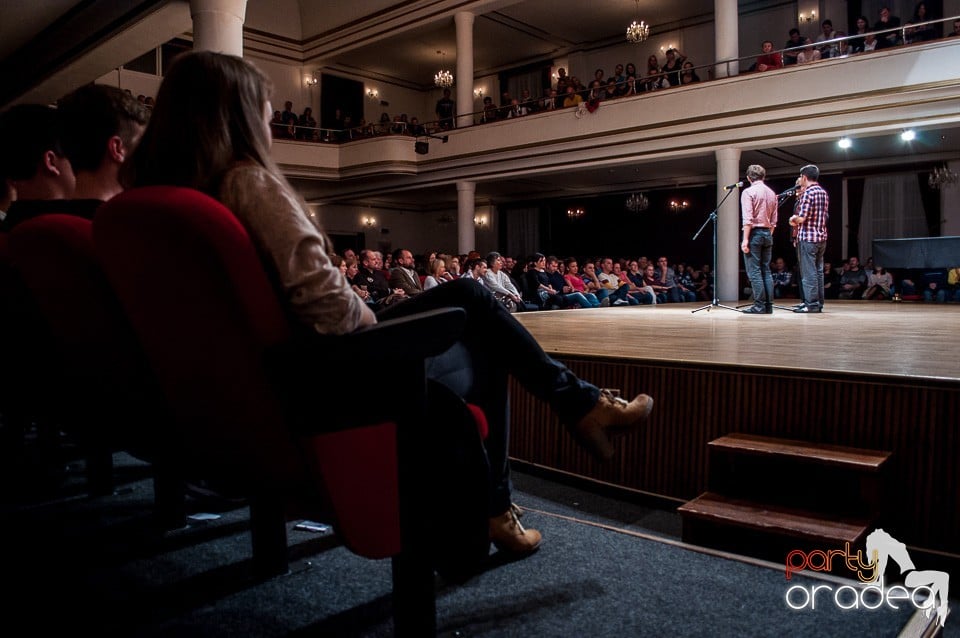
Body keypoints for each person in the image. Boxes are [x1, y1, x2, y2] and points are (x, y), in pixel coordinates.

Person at [124, 50, 655, 556]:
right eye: (263, 119)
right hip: (327, 374)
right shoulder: (247, 183)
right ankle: (547, 446)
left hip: (256, 384)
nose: (269, 132)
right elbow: (332, 312)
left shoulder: (150, 207)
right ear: (237, 121)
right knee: (483, 332)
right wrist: (369, 311)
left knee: (471, 300)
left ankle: (569, 420)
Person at [789, 165, 829, 313]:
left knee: (808, 273)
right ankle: (818, 303)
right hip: (821, 237)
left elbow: (801, 218)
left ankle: (811, 304)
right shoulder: (823, 192)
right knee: (818, 271)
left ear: (804, 177)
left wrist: (793, 219)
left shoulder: (808, 193)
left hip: (808, 238)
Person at [739, 164, 778, 314]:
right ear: (763, 176)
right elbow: (774, 221)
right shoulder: (772, 193)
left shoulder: (748, 192)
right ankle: (768, 306)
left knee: (754, 271)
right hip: (768, 233)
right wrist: (768, 234)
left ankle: (759, 305)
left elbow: (747, 219)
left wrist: (745, 239)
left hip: (754, 233)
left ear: (749, 178)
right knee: (766, 270)